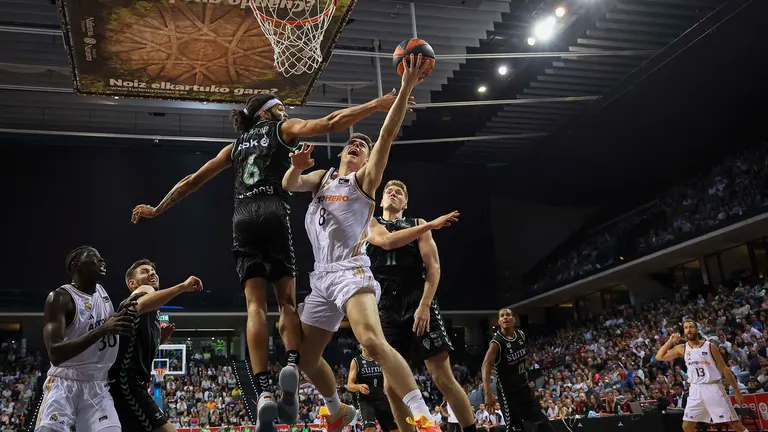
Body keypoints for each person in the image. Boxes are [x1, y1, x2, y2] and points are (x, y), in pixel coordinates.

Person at [130, 88, 408, 429]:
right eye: (281, 106)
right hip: (273, 212)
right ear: (266, 112)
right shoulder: (281, 128)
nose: (285, 110)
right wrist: (376, 104)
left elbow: (192, 180)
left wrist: (158, 208)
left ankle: (263, 391)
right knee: (287, 303)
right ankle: (291, 363)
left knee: (254, 307)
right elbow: (331, 122)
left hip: (242, 218)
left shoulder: (233, 149)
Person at [281, 54, 438, 432]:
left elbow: (385, 135)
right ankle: (337, 409)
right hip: (321, 278)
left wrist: (404, 89)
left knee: (371, 341)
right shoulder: (323, 179)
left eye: (361, 146)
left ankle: (424, 416)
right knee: (305, 358)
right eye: (351, 143)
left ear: (368, 160)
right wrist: (298, 167)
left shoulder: (364, 183)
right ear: (341, 153)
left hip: (351, 272)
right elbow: (289, 184)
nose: (356, 145)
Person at [365, 179, 473, 432]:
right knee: (391, 387)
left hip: (417, 298)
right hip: (385, 306)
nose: (393, 193)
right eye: (389, 191)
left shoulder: (418, 223)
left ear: (405, 203)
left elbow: (433, 267)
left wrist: (425, 305)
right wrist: (431, 225)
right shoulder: (369, 222)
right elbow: (387, 241)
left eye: (399, 192)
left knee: (441, 377)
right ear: (381, 201)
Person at [35, 246, 138, 432]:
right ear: (76, 265)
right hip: (63, 383)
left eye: (102, 258)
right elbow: (55, 353)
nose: (102, 261)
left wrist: (120, 310)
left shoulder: (102, 293)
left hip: (97, 384)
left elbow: (106, 326)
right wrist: (100, 330)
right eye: (95, 258)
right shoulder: (60, 298)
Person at [108, 259, 202, 432]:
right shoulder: (144, 291)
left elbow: (132, 344)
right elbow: (141, 303)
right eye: (144, 271)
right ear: (132, 283)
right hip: (126, 383)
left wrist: (160, 339)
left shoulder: (151, 313)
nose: (152, 273)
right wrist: (183, 286)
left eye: (153, 270)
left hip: (128, 383)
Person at [655, 319, 747, 432]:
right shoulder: (682, 348)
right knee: (687, 426)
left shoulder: (710, 346)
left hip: (713, 387)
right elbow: (659, 357)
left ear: (697, 329)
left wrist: (737, 391)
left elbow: (724, 369)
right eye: (686, 327)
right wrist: (670, 341)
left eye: (691, 327)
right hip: (695, 390)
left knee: (735, 424)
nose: (688, 329)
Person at [482, 308, 553, 432]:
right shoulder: (496, 343)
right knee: (516, 429)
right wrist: (488, 393)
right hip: (508, 393)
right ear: (499, 321)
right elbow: (485, 366)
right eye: (502, 316)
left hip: (524, 389)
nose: (505, 317)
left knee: (544, 424)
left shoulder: (520, 334)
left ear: (514, 319)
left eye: (508, 315)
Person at [346, 346, 398, 432]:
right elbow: (349, 385)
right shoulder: (356, 361)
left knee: (395, 429)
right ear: (360, 345)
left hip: (381, 398)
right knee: (370, 429)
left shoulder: (380, 359)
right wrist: (359, 387)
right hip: (366, 400)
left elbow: (388, 381)